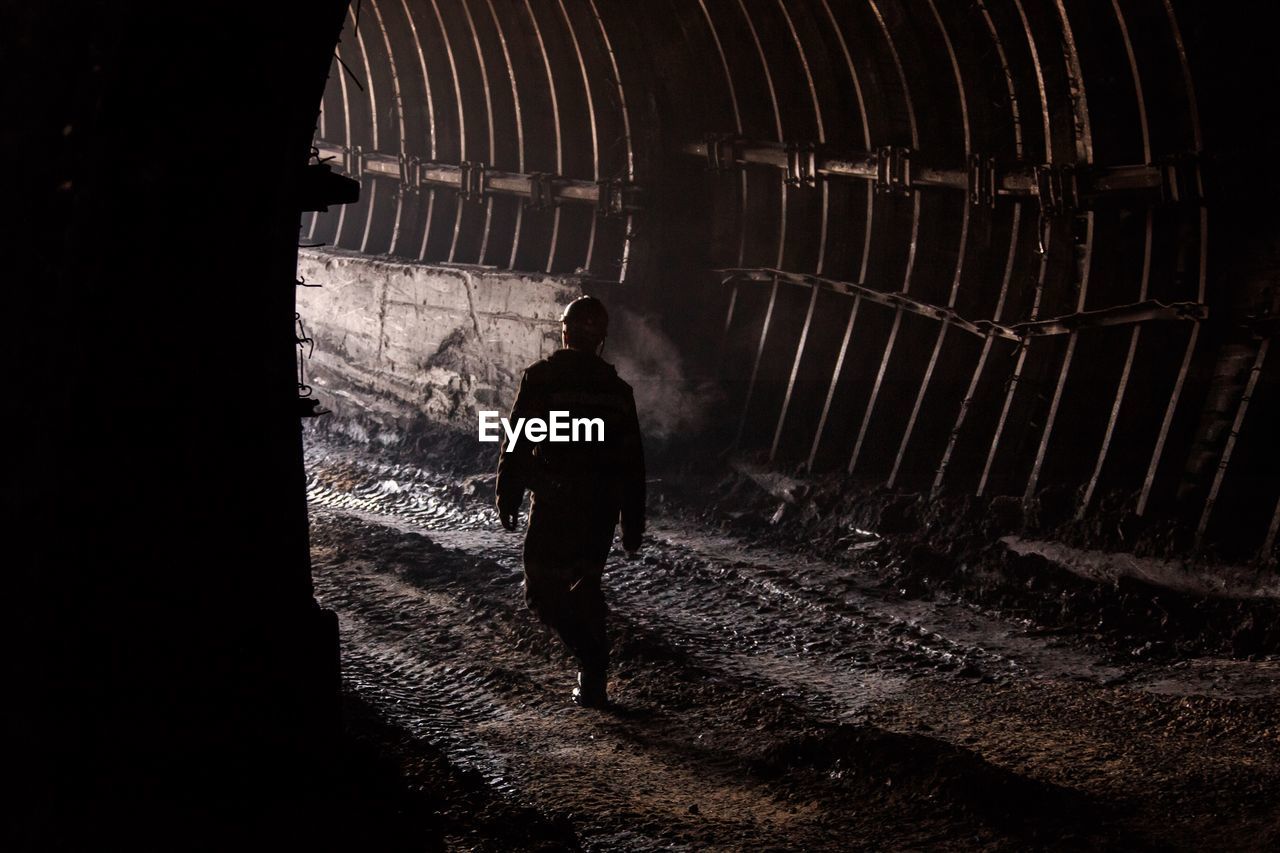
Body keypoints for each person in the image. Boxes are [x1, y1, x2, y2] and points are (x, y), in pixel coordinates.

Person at [495, 295, 646, 708]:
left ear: (563, 332)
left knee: (542, 592)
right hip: (598, 513)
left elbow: (519, 440)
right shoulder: (617, 392)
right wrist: (632, 522)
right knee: (585, 586)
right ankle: (593, 678)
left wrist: (509, 489)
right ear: (602, 341)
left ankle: (592, 662)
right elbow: (632, 464)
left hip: (555, 506)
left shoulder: (541, 379)